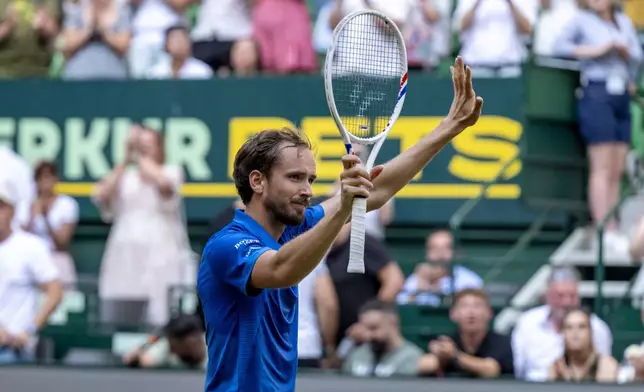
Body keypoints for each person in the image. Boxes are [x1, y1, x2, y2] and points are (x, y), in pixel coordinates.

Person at [197, 56, 483, 392]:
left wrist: (450, 127)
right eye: (294, 178)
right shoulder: (226, 244)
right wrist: (344, 207)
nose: (307, 190)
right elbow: (280, 271)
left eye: (311, 179)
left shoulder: (296, 226)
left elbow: (380, 189)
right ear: (257, 181)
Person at [553, 0, 643, 252]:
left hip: (621, 92)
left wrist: (625, 52)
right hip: (597, 91)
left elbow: (638, 56)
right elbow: (559, 47)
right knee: (601, 166)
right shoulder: (580, 21)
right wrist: (597, 50)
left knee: (617, 167)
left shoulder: (623, 21)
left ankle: (614, 223)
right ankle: (604, 226)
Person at [512, 267, 613, 381]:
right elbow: (518, 370)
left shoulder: (597, 328)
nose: (566, 302)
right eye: (560, 296)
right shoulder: (527, 323)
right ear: (547, 296)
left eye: (572, 296)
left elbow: (603, 371)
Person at [548, 308, 618, 382]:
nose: (575, 332)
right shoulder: (556, 368)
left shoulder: (605, 365)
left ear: (590, 332)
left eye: (581, 327)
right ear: (563, 333)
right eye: (569, 327)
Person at [122, 314, 207, 369]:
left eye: (174, 345)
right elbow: (147, 361)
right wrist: (138, 355)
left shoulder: (214, 349)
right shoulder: (167, 346)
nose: (171, 349)